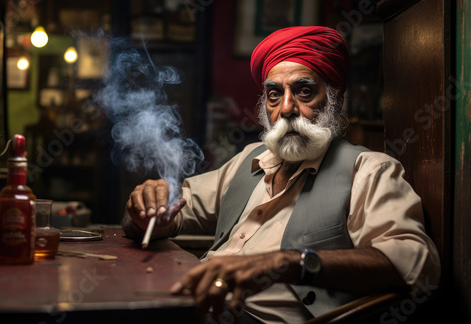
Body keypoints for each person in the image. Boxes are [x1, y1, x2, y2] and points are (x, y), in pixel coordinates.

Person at [122, 26, 440, 323]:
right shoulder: (251, 159)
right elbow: (171, 210)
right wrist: (147, 211)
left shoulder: (368, 169)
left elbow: (415, 263)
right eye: (274, 94)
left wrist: (287, 264)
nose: (286, 108)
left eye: (304, 91)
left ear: (335, 98)